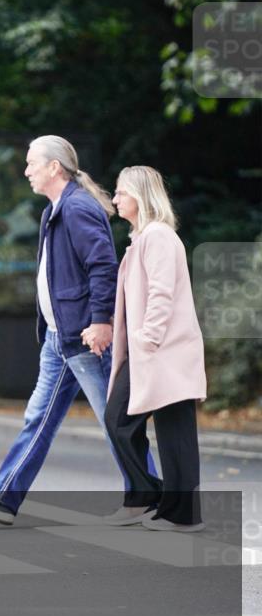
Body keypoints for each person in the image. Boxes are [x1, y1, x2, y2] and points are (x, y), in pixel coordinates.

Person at [0, 135, 157, 525]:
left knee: (115, 421)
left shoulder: (78, 208)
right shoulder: (56, 209)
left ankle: (151, 496)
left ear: (54, 168)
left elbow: (103, 266)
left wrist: (100, 321)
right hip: (60, 338)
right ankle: (3, 496)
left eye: (32, 163)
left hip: (85, 336)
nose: (26, 170)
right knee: (41, 418)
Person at [99, 166, 206, 532]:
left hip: (164, 351)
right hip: (152, 352)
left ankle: (180, 513)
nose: (115, 199)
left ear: (141, 196)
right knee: (123, 421)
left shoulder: (158, 236)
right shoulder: (145, 238)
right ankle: (148, 497)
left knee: (169, 433)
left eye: (121, 192)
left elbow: (162, 293)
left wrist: (148, 337)